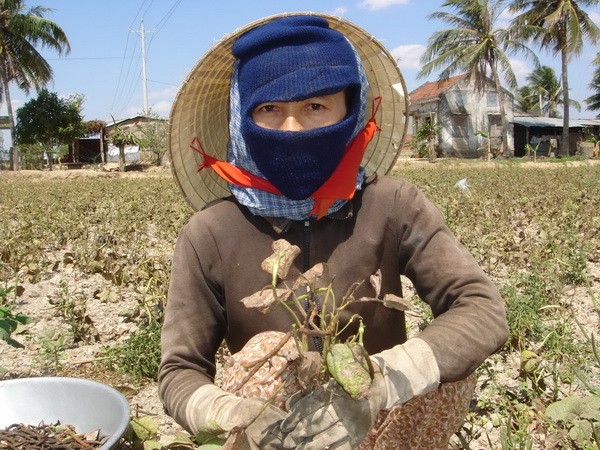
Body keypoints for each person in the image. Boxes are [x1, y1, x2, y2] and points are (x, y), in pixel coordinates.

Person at [159, 12, 509, 449]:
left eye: (316, 106)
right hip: (275, 432)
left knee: (451, 361)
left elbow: (481, 307)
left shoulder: (393, 205)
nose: (293, 129)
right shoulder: (210, 232)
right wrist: (229, 413)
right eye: (269, 109)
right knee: (270, 355)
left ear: (351, 109)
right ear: (241, 117)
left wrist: (384, 381)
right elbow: (179, 370)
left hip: (384, 417)